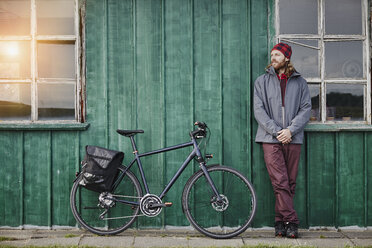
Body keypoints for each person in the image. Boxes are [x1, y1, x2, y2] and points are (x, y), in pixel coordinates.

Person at [253, 43, 311, 238]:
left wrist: (290, 131)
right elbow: (259, 111)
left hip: (293, 139)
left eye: (277, 54)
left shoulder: (300, 82)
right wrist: (279, 132)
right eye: (272, 55)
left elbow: (305, 109)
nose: (273, 58)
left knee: (289, 183)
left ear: (287, 57)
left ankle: (280, 222)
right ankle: (292, 222)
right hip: (270, 138)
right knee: (280, 181)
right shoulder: (261, 81)